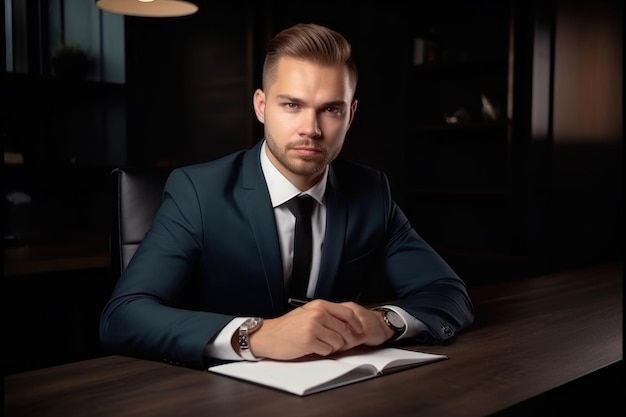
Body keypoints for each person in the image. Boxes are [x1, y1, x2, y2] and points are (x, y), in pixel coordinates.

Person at [100, 23, 474, 369]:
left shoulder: (371, 192)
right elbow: (123, 315)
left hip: (336, 393)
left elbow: (447, 293)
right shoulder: (197, 192)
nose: (311, 129)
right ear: (261, 106)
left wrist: (384, 322)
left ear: (351, 114)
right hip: (217, 394)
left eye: (330, 109)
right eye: (292, 105)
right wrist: (257, 335)